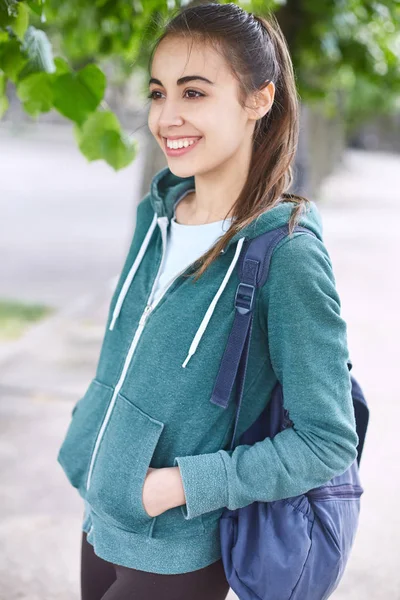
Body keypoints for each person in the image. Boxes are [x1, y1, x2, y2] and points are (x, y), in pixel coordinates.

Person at [57, 3, 359, 599]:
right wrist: (93, 437)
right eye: (158, 92)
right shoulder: (157, 215)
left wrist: (178, 486)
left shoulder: (286, 254)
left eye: (194, 93)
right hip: (101, 514)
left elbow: (328, 440)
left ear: (259, 100)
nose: (167, 117)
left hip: (177, 552)